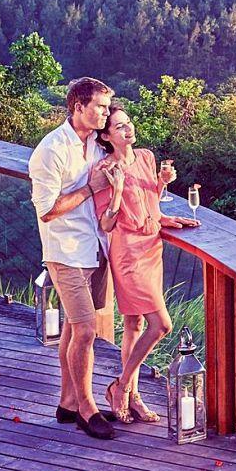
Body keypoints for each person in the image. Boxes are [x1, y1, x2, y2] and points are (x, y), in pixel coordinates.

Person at [90, 100, 199, 422]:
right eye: (120, 126)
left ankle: (133, 396)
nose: (128, 128)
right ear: (106, 136)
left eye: (128, 122)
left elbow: (149, 202)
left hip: (152, 247)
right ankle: (121, 387)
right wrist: (119, 188)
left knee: (136, 324)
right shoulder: (104, 170)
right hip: (128, 252)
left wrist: (164, 185)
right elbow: (106, 224)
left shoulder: (146, 157)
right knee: (162, 325)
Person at [28, 77, 117, 440]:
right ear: (78, 107)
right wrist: (89, 189)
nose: (105, 113)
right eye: (99, 107)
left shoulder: (97, 145)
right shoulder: (50, 150)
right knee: (86, 330)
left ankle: (67, 403)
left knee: (72, 326)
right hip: (64, 252)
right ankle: (87, 407)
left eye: (107, 107)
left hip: (96, 247)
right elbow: (47, 210)